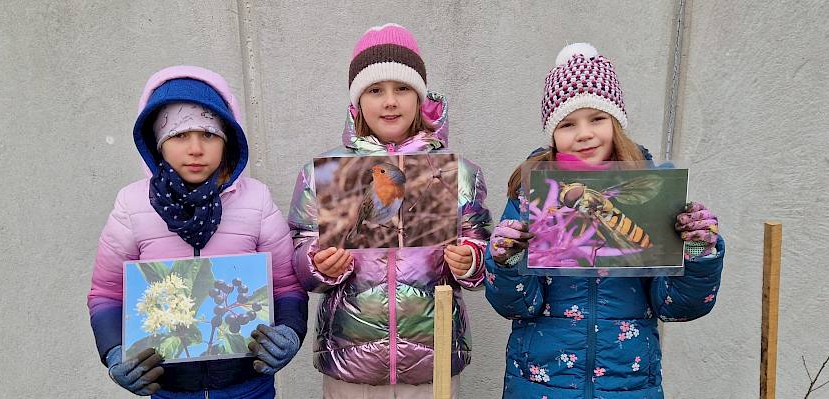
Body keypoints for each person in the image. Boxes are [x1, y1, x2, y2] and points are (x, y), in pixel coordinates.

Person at [484, 43, 724, 398]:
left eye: (597, 118)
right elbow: (516, 304)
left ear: (616, 122)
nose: (584, 133)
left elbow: (675, 305)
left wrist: (698, 249)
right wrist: (506, 259)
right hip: (541, 384)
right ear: (552, 134)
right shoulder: (532, 195)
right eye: (567, 124)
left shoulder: (650, 187)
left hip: (628, 383)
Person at [287, 23, 492, 398]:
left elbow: (481, 245)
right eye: (375, 90)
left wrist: (471, 260)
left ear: (419, 97)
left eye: (402, 89)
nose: (390, 101)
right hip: (350, 363)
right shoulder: (326, 175)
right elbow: (299, 253)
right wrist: (319, 263)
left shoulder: (458, 173)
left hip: (434, 362)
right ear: (357, 101)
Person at [87, 65, 308, 398]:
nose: (195, 148)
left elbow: (288, 285)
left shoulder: (257, 200)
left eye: (208, 134)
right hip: (169, 389)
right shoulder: (131, 205)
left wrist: (290, 332)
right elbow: (107, 293)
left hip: (249, 387)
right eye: (178, 135)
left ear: (227, 140)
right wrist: (115, 353)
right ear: (157, 143)